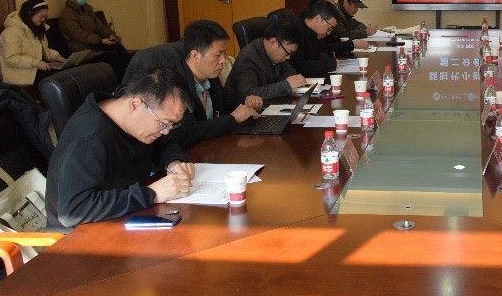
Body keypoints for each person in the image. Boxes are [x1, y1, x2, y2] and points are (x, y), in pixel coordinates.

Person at [45, 67, 194, 229]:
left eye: (171, 125)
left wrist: (173, 162)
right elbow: (72, 211)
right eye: (163, 124)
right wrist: (152, 194)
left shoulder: (128, 113)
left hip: (125, 215)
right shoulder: (90, 139)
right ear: (135, 105)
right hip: (82, 233)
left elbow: (162, 142)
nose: (165, 131)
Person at [123, 20, 260, 150]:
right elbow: (186, 133)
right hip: (187, 154)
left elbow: (226, 101)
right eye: (217, 55)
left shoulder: (210, 75)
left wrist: (247, 102)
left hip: (210, 149)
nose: (223, 60)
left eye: (224, 53)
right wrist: (232, 119)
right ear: (195, 55)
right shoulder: (174, 85)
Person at [58, 0, 129, 79]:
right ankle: (122, 83)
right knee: (111, 57)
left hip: (95, 45)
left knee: (118, 48)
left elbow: (100, 27)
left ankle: (131, 79)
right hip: (82, 51)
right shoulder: (67, 15)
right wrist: (100, 40)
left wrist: (110, 34)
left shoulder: (87, 10)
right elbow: (79, 34)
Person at [225, 20, 307, 102]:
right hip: (241, 108)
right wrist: (286, 85)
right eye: (288, 52)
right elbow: (249, 94)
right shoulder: (248, 57)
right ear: (273, 42)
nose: (288, 57)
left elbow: (290, 70)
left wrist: (279, 86)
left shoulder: (273, 53)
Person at [0, 0, 67, 85]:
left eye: (45, 17)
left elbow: (43, 50)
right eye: (41, 16)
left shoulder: (35, 28)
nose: (43, 19)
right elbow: (10, 58)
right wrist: (36, 62)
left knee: (66, 73)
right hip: (20, 74)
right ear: (29, 13)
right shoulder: (11, 32)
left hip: (33, 69)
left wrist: (56, 57)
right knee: (59, 79)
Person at [290, 1, 340, 76]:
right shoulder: (294, 31)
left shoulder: (316, 32)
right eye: (329, 28)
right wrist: (327, 64)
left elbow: (322, 51)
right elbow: (298, 67)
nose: (329, 32)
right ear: (317, 19)